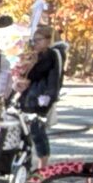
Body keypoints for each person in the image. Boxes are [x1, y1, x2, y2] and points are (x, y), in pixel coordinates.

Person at [19, 27, 65, 161]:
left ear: (48, 40)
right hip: (28, 97)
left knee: (37, 132)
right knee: (25, 132)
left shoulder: (53, 55)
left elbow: (54, 79)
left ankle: (42, 164)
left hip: (40, 97)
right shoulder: (36, 55)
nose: (35, 43)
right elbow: (28, 76)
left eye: (38, 40)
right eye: (34, 40)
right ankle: (27, 162)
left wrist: (49, 97)